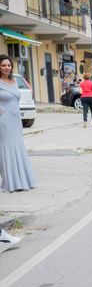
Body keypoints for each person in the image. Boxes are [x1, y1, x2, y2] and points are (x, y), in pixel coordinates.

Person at [0, 54, 37, 192]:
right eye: (3, 65)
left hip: (16, 120)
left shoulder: (15, 81)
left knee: (18, 147)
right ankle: (10, 182)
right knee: (7, 148)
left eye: (8, 65)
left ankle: (22, 180)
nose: (6, 68)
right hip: (3, 121)